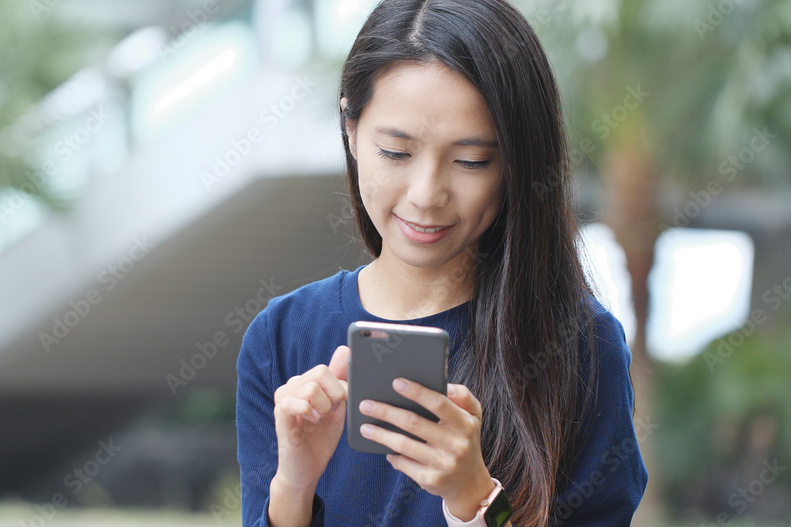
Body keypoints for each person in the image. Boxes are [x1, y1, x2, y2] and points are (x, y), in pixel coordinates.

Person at [235, 0, 649, 525]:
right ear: (351, 129)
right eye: (396, 152)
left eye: (471, 160)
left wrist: (476, 500)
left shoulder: (581, 347)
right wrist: (294, 485)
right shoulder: (281, 337)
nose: (427, 194)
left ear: (517, 163)